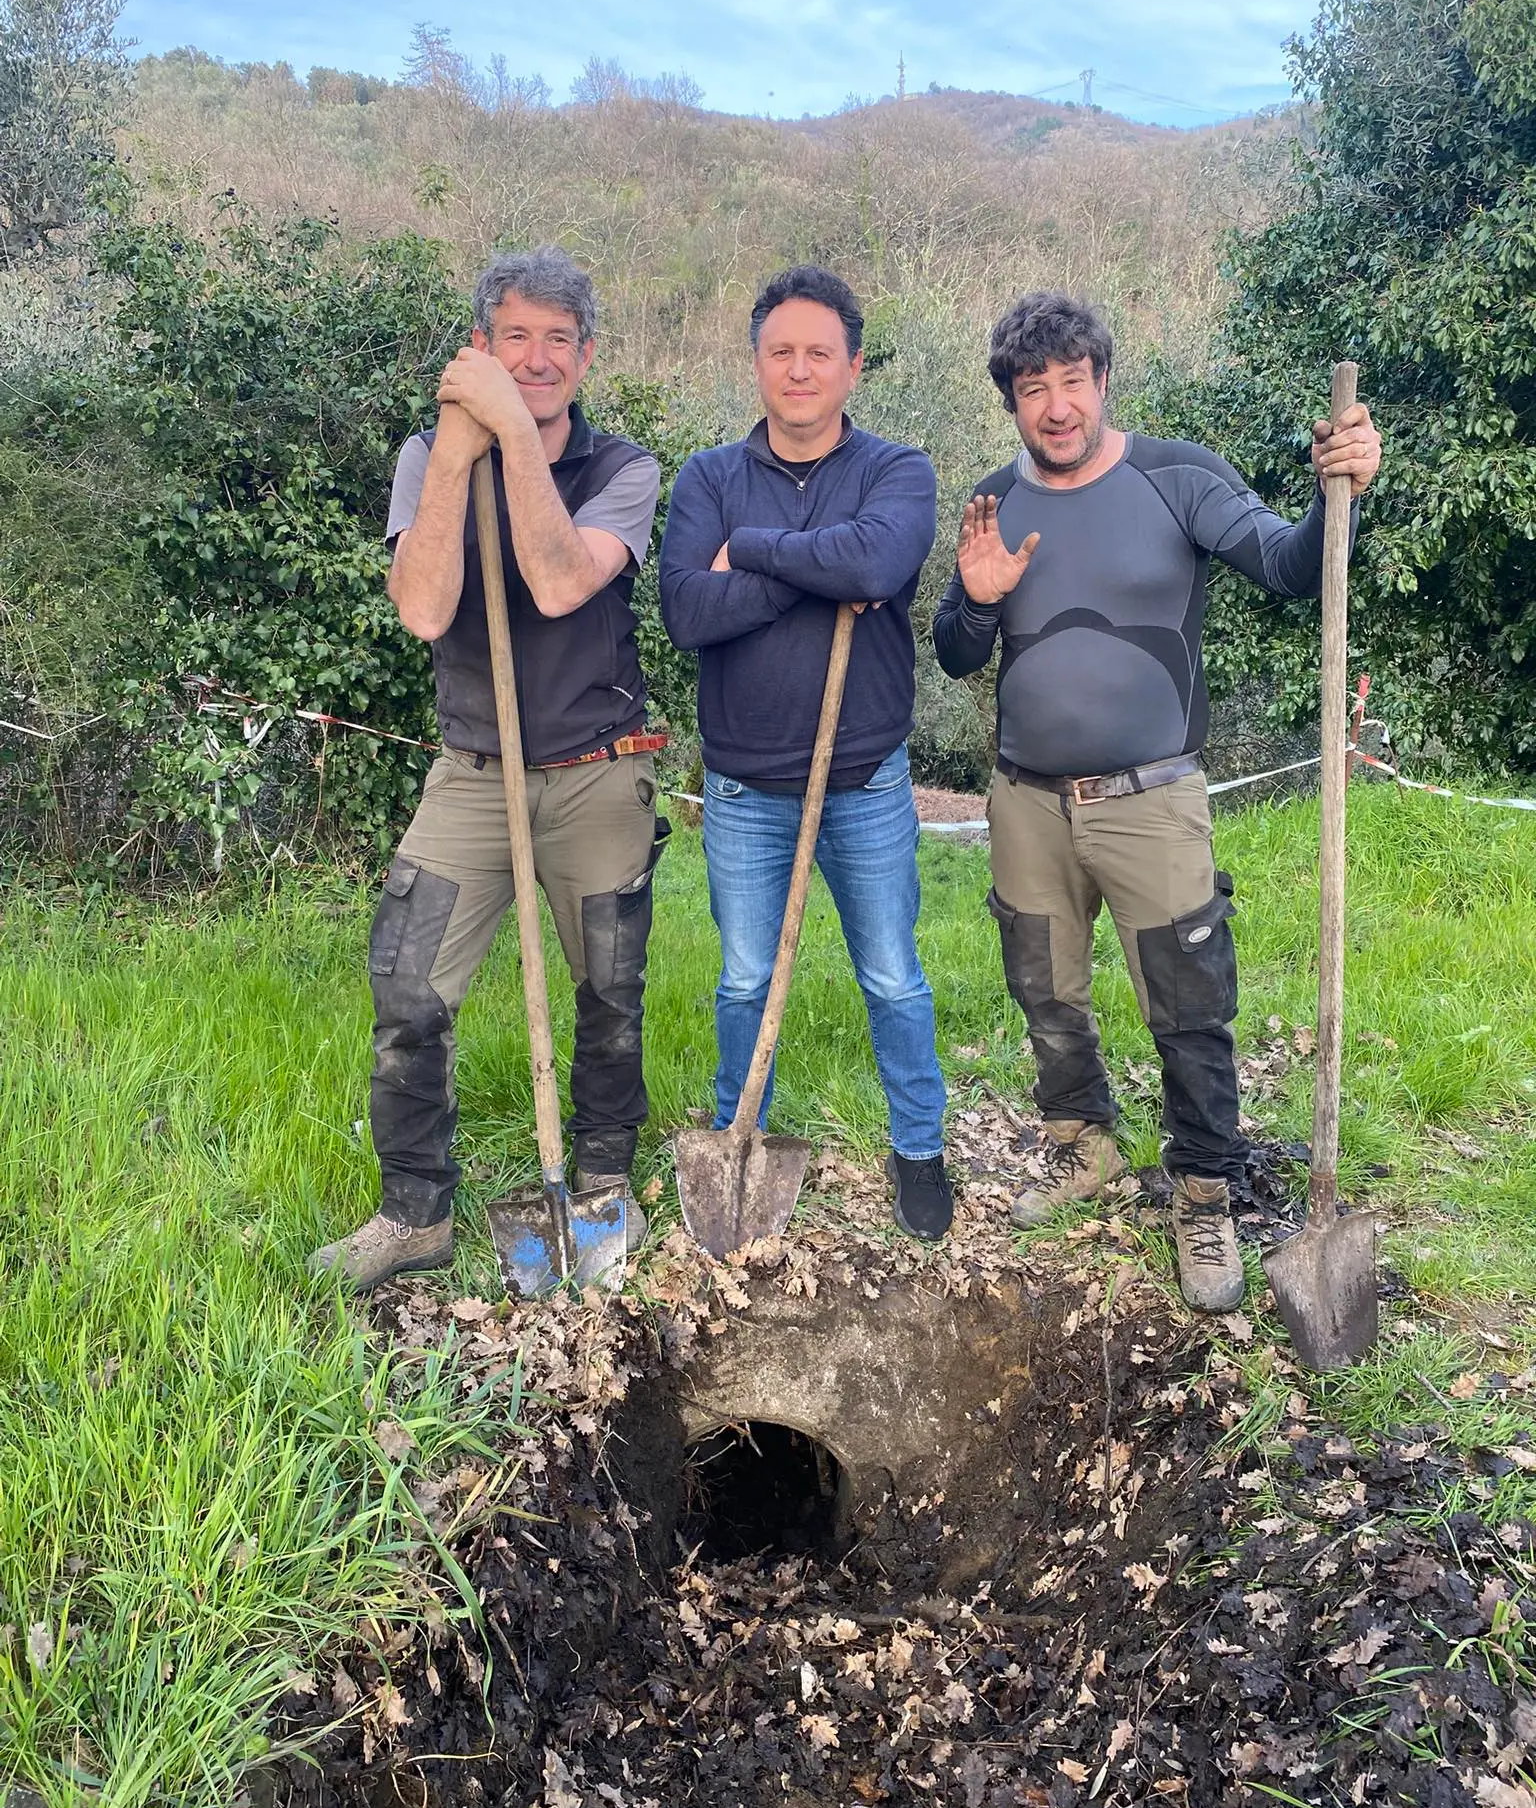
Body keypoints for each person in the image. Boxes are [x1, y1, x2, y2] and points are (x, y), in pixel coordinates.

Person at [933, 290, 1380, 1310]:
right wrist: (975, 597)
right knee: (1044, 986)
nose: (1055, 406)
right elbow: (958, 651)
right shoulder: (998, 497)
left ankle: (1205, 1190)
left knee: (1188, 1005)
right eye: (1032, 388)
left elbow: (1290, 565)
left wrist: (1340, 493)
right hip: (1026, 800)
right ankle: (1080, 1144)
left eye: (1071, 381)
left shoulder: (1180, 476)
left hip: (1152, 797)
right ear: (1011, 401)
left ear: (1102, 378)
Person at [310, 246, 668, 1289]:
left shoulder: (622, 470)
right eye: (517, 336)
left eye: (560, 339)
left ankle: (603, 1185)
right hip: (474, 771)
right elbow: (422, 607)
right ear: (482, 345)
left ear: (587, 355)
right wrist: (462, 455)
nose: (539, 356)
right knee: (406, 980)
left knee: (611, 988)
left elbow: (559, 585)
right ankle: (413, 1214)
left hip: (599, 770)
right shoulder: (429, 456)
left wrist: (510, 429)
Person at [659, 266, 956, 1240]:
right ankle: (735, 1137)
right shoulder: (708, 477)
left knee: (891, 974)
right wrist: (812, 564)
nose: (798, 369)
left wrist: (749, 550)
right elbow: (686, 613)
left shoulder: (896, 469)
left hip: (864, 780)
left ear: (852, 366)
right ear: (757, 363)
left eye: (817, 352)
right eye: (779, 351)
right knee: (745, 978)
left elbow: (879, 559)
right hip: (744, 785)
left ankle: (919, 1148)